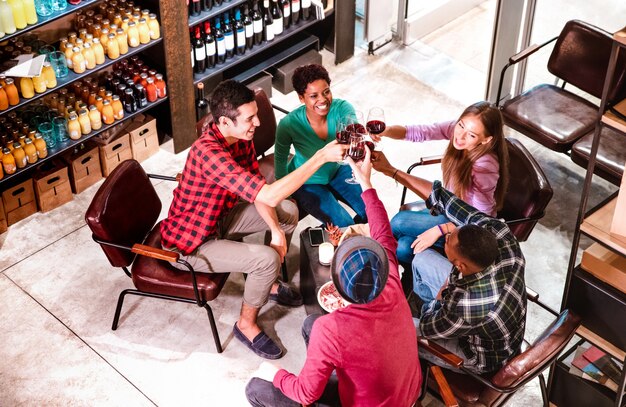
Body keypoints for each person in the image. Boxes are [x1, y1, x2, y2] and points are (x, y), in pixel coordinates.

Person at [160, 80, 347, 360]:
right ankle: (245, 324)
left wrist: (275, 230)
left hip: (220, 218)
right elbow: (268, 194)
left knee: (289, 212)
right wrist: (320, 157)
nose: (257, 123)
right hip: (192, 243)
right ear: (224, 121)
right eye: (250, 118)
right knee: (267, 259)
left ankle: (265, 281)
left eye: (256, 114)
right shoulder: (208, 153)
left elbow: (260, 191)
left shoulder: (238, 139)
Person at [245, 147, 422, 407]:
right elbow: (382, 231)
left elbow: (305, 395)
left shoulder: (333, 331)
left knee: (257, 387)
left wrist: (276, 374)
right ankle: (329, 368)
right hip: (406, 395)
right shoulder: (392, 283)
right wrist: (365, 181)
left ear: (337, 287)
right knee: (311, 325)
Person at [372, 102, 509, 274]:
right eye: (461, 125)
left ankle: (389, 267)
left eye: (472, 135)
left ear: (486, 139)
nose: (460, 136)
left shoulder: (484, 166)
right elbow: (420, 131)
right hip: (446, 208)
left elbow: (482, 219)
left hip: (463, 223)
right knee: (403, 248)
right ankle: (411, 271)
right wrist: (387, 131)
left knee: (398, 222)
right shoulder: (458, 130)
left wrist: (440, 229)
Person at [408, 178, 526, 374]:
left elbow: (429, 328)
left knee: (397, 330)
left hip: (478, 356)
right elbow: (453, 204)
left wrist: (438, 300)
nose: (447, 235)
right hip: (486, 317)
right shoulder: (500, 234)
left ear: (460, 264)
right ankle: (423, 308)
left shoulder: (466, 308)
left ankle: (419, 325)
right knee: (421, 260)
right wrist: (391, 171)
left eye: (448, 240)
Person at [274, 63, 367, 227]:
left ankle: (362, 238)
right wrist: (286, 195)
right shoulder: (288, 124)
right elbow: (280, 161)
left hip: (338, 170)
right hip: (308, 181)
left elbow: (353, 132)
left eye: (326, 92)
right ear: (301, 98)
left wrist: (359, 139)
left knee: (371, 211)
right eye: (313, 96)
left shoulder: (342, 108)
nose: (323, 99)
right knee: (344, 224)